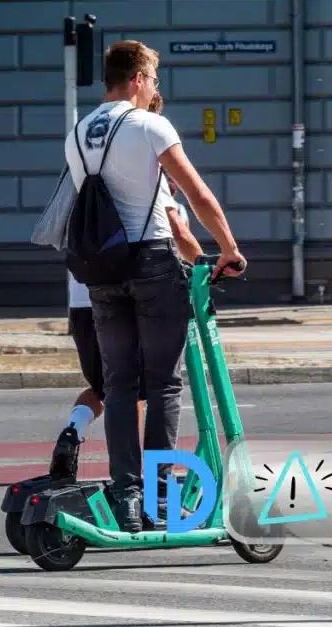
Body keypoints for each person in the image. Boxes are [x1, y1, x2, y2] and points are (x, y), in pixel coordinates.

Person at [64, 40, 244, 532]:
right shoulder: (149, 125)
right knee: (163, 384)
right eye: (154, 81)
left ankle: (127, 498)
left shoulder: (79, 132)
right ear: (139, 79)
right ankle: (160, 500)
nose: (154, 90)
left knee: (120, 383)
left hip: (103, 270)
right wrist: (228, 248)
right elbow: (194, 192)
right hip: (152, 262)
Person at [50, 92, 203, 482]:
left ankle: (83, 441)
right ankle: (153, 487)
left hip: (88, 293)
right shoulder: (151, 183)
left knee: (111, 386)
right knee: (159, 385)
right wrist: (206, 264)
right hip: (145, 274)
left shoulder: (86, 160)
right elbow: (180, 230)